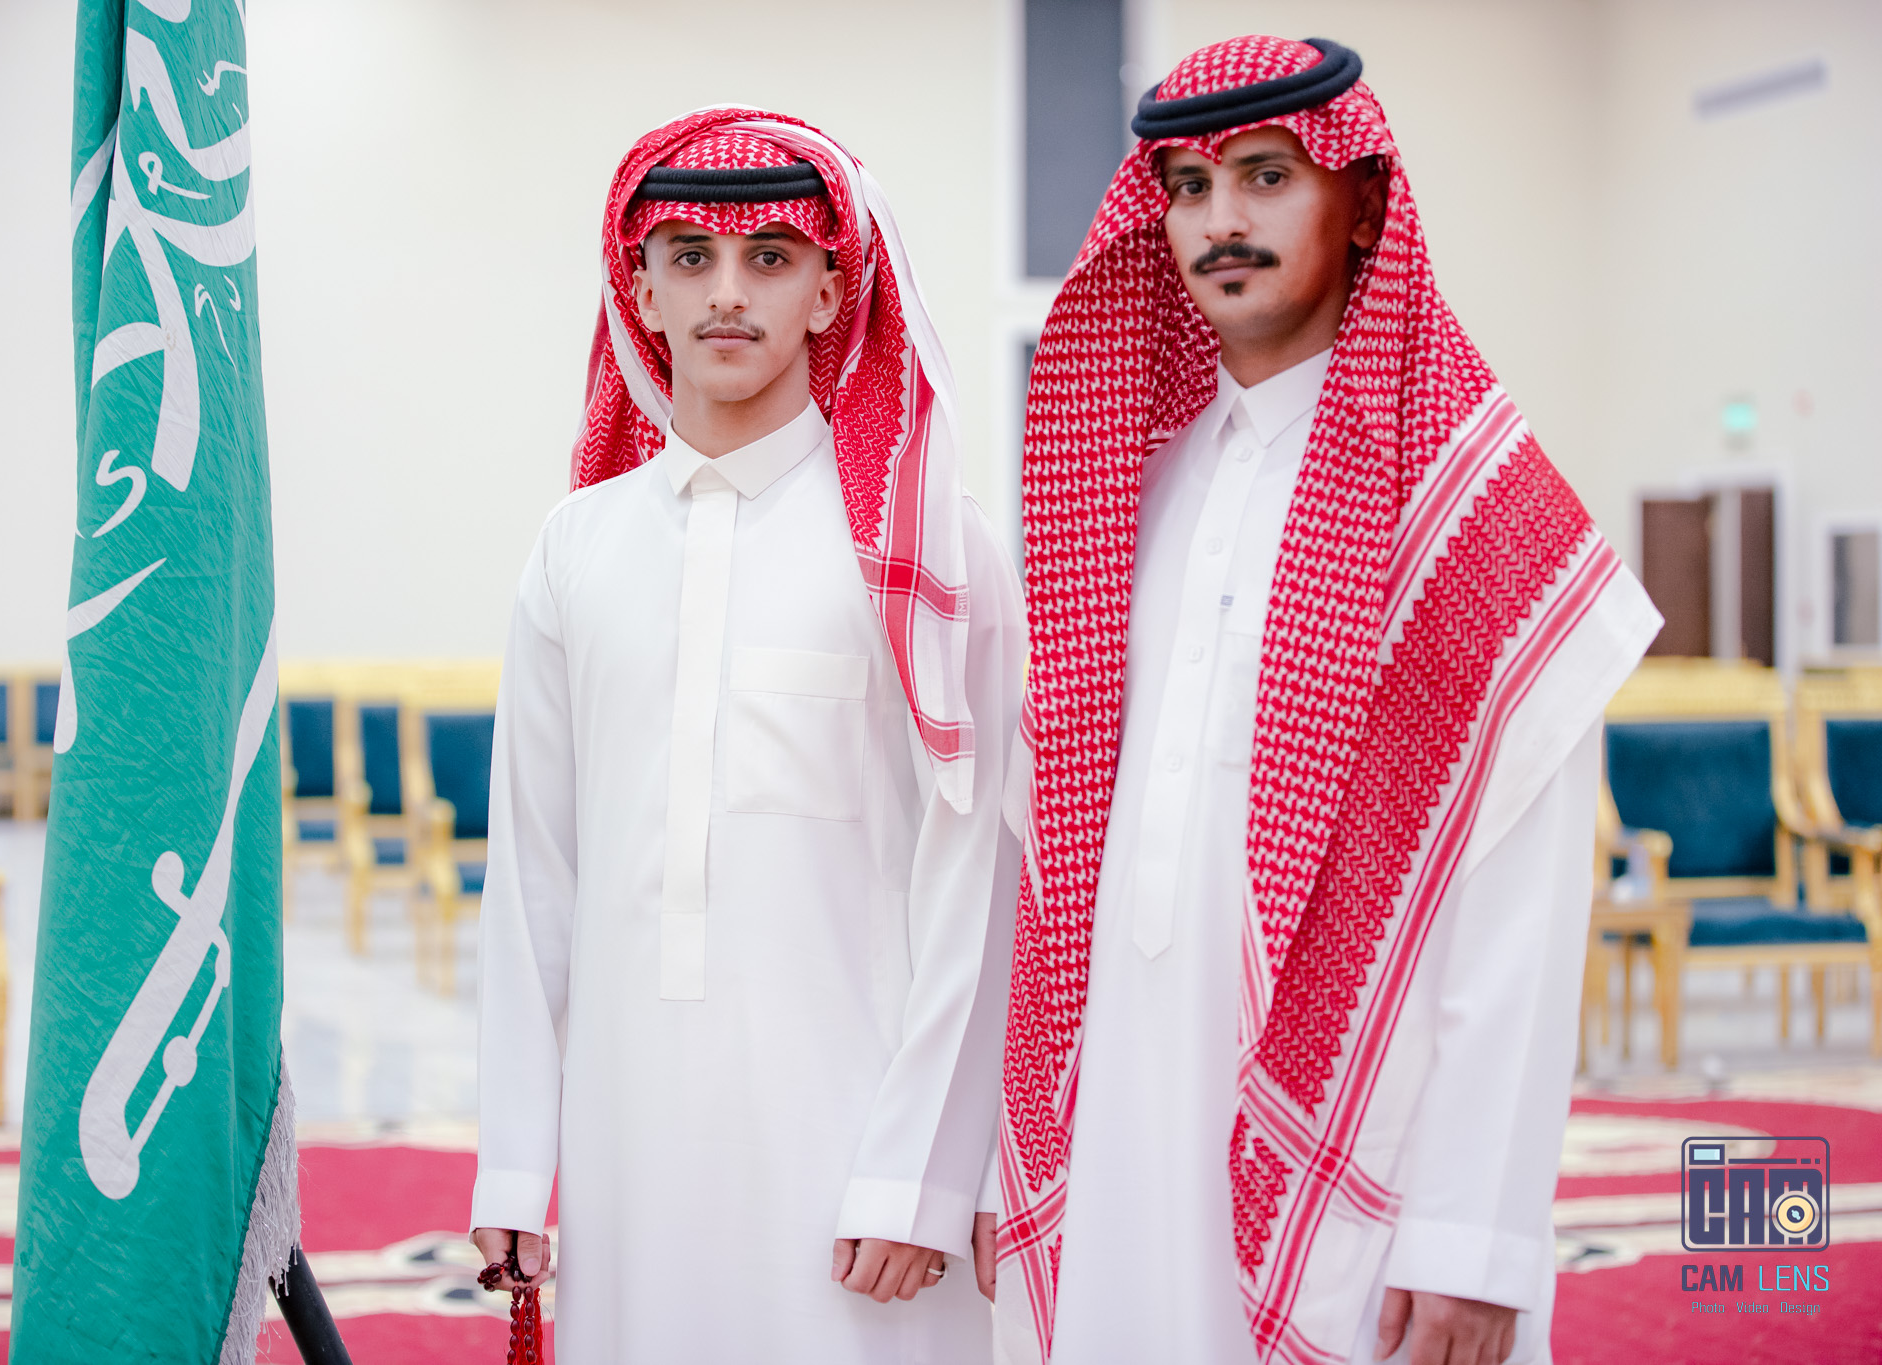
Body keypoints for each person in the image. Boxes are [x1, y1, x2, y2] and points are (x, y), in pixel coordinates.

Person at [990, 36, 1661, 1365]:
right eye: (1187, 186)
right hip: (1119, 1120)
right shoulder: (1132, 493)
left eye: (1264, 176)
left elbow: (1518, 916)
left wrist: (1471, 1235)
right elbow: (1049, 859)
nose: (1217, 221)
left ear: (1360, 205)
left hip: (1376, 1170)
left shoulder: (1472, 516)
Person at [468, 107, 1025, 1364]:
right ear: (641, 293)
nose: (727, 292)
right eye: (690, 257)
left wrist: (927, 1170)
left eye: (769, 257)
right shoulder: (576, 547)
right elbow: (532, 877)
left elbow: (979, 877)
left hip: (856, 1156)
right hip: (625, 1145)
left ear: (831, 290)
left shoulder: (929, 545)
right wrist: (515, 1158)